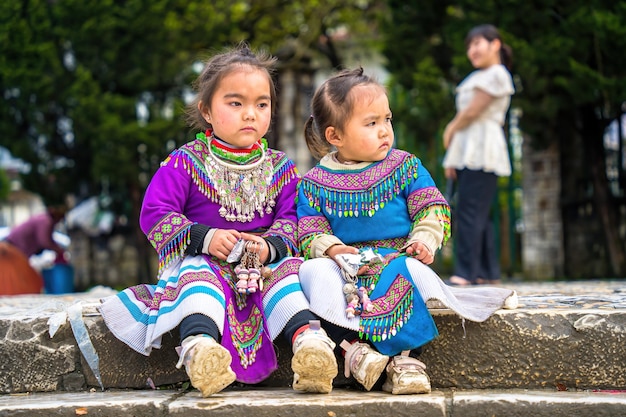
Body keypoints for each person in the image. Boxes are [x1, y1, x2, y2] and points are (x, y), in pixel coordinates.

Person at [98, 43, 338, 397]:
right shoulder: (185, 162)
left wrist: (270, 246)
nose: (250, 114)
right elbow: (155, 213)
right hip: (206, 259)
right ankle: (201, 351)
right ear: (207, 111)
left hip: (261, 265)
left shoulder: (281, 167)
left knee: (288, 277)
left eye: (261, 104)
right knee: (198, 281)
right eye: (235, 103)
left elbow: (293, 219)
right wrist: (206, 238)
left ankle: (310, 348)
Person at [297, 67, 517, 395]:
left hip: (396, 257)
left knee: (401, 273)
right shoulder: (314, 182)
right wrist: (331, 249)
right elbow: (309, 228)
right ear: (335, 136)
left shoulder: (405, 166)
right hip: (347, 266)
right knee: (312, 273)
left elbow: (431, 207)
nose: (385, 130)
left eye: (387, 119)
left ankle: (405, 361)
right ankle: (355, 353)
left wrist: (424, 239)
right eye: (371, 123)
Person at [442, 24, 515, 286]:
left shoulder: (497, 74)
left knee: (471, 212)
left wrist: (450, 128)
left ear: (495, 44)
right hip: (467, 149)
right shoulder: (478, 76)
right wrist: (452, 156)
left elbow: (472, 112)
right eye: (469, 46)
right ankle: (486, 272)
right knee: (476, 212)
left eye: (477, 43)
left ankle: (465, 273)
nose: (472, 50)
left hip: (482, 148)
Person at [0, 204, 68, 295]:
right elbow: (44, 241)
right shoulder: (45, 221)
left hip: (15, 249)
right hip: (13, 249)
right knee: (13, 279)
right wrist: (58, 249)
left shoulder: (44, 219)